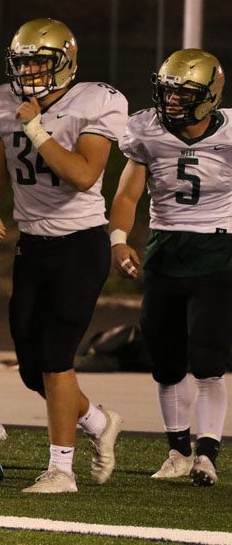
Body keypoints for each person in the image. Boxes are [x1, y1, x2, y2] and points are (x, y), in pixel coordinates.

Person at [0, 18, 126, 493]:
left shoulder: (95, 101)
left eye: (41, 61)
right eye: (24, 62)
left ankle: (61, 469)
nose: (32, 71)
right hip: (33, 244)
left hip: (80, 243)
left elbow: (82, 175)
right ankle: (98, 420)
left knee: (57, 358)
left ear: (66, 62)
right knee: (31, 367)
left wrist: (37, 129)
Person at [109, 49, 230, 487]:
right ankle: (178, 450)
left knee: (208, 356)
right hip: (165, 250)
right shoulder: (146, 130)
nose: (172, 100)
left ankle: (208, 453)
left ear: (209, 96)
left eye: (183, 93)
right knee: (164, 357)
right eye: (168, 90)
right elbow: (126, 195)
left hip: (219, 250)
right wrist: (119, 242)